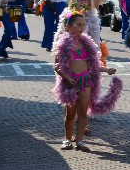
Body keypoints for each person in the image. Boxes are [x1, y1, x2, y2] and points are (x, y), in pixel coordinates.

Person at [52, 10, 121, 150]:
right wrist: (67, 78)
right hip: (70, 83)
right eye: (78, 24)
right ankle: (67, 139)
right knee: (70, 113)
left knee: (83, 112)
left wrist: (106, 70)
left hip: (85, 81)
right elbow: (57, 67)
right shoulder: (63, 44)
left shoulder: (86, 44)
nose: (81, 28)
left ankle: (79, 141)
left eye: (84, 25)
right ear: (68, 26)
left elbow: (94, 65)